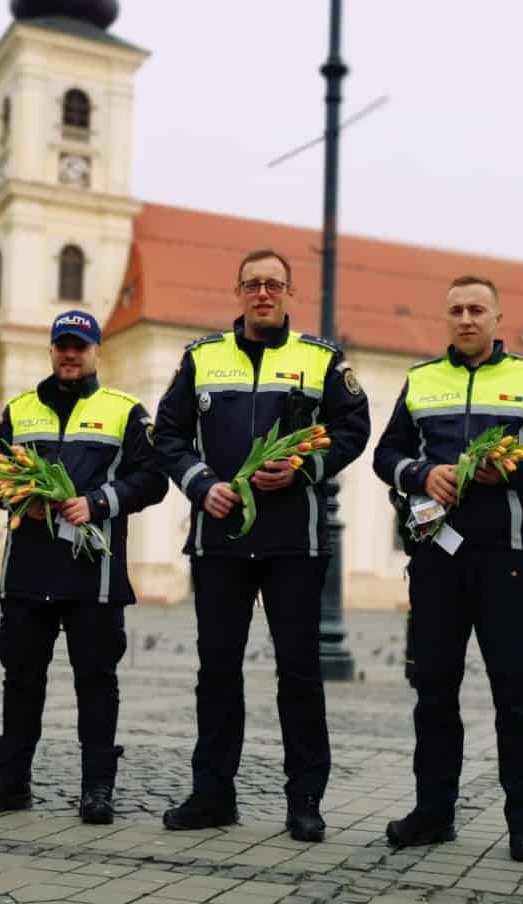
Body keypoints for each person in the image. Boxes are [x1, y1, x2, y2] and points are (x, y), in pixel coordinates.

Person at [152, 248, 371, 841]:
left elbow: (355, 429)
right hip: (219, 538)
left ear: (289, 292)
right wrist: (201, 485)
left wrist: (306, 470)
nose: (264, 294)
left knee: (299, 675)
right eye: (253, 284)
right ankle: (212, 795)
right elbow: (167, 433)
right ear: (239, 292)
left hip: (291, 544)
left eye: (274, 284)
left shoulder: (320, 360)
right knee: (217, 673)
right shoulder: (201, 359)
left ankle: (305, 799)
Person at [373, 275, 523, 863]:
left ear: (496, 318)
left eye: (477, 310)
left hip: (506, 560)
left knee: (514, 694)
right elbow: (385, 455)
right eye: (457, 310)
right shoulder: (420, 381)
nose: (466, 319)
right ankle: (433, 814)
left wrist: (513, 470)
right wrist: (419, 475)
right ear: (447, 319)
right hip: (436, 557)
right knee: (433, 692)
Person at [0, 311, 166, 823]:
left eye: (80, 346)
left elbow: (153, 479)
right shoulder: (19, 411)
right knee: (20, 680)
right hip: (27, 574)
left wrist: (100, 502)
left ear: (96, 351)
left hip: (93, 577)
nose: (70, 355)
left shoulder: (124, 411)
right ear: (50, 351)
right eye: (62, 346)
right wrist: (20, 497)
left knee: (96, 683)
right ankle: (11, 783)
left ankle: (97, 788)